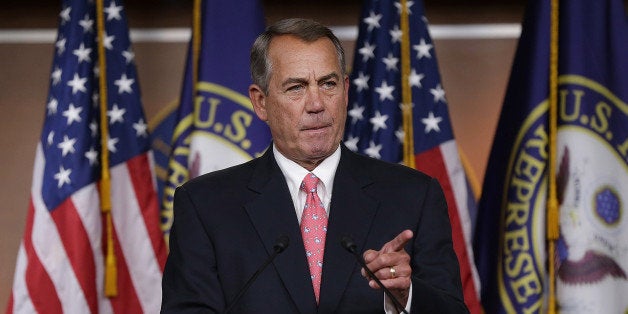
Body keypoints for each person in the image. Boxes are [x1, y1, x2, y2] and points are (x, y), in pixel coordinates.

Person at [161, 18, 468, 313]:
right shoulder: (205, 205)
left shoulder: (415, 195)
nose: (317, 104)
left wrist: (406, 295)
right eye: (296, 87)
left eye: (328, 84)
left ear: (346, 92)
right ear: (261, 102)